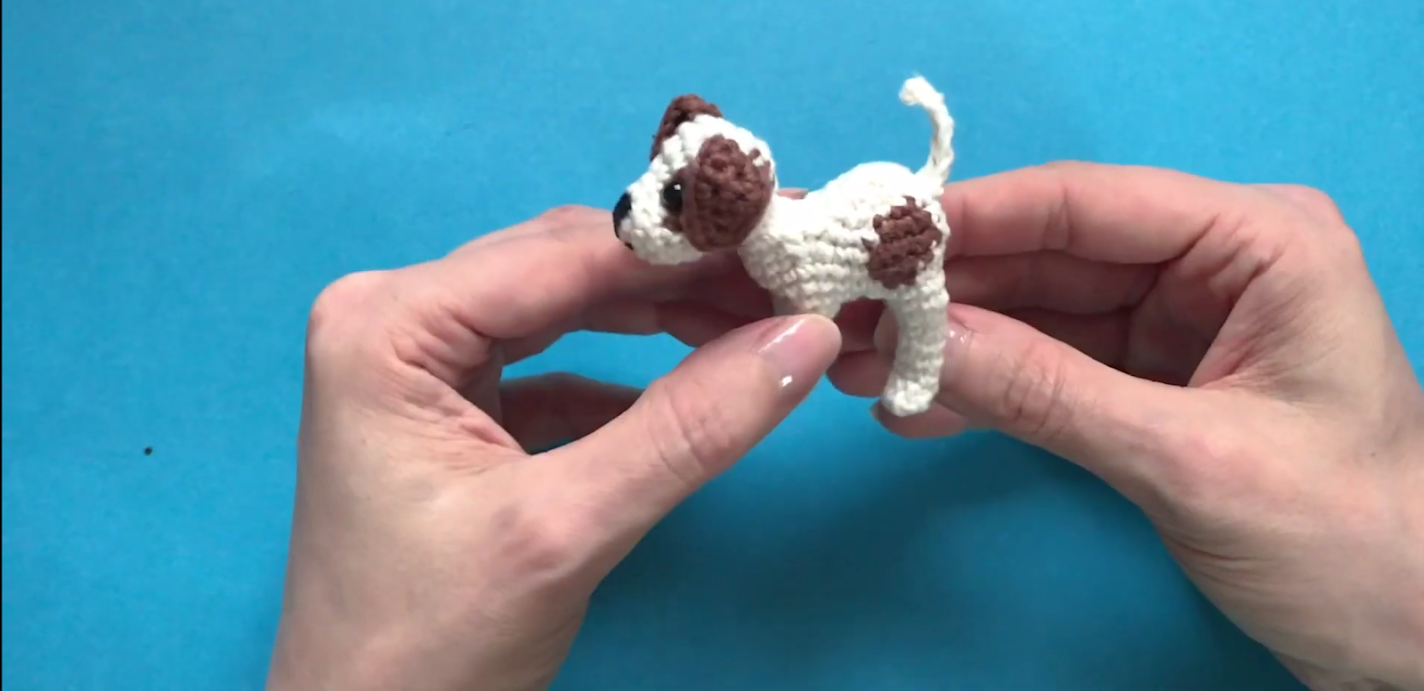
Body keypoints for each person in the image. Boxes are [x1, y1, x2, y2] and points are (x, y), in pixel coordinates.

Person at [263, 161, 1422, 691]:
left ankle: (922, 351)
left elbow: (818, 310)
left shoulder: (805, 239)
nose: (650, 224)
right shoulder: (757, 235)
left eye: (675, 209)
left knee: (914, 311)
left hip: (888, 244)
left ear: (719, 206)